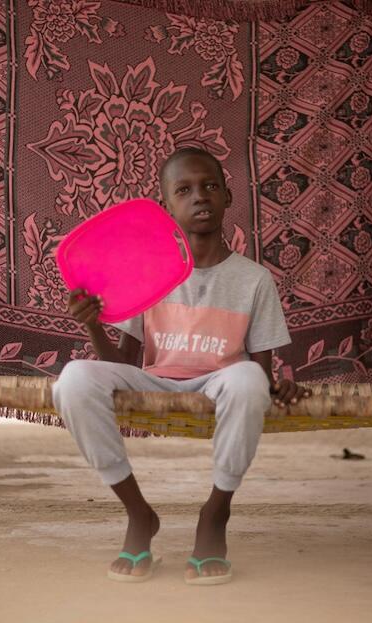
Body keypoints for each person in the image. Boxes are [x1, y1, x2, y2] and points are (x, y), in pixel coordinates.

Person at [53, 147, 310, 585]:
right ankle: (139, 515)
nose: (200, 197)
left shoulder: (253, 280)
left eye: (210, 186)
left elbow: (259, 376)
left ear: (228, 197)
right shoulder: (146, 273)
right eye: (184, 190)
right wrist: (95, 325)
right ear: (166, 206)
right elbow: (121, 364)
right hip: (154, 381)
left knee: (247, 378)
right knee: (73, 379)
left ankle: (215, 514)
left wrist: (275, 387)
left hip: (219, 383)